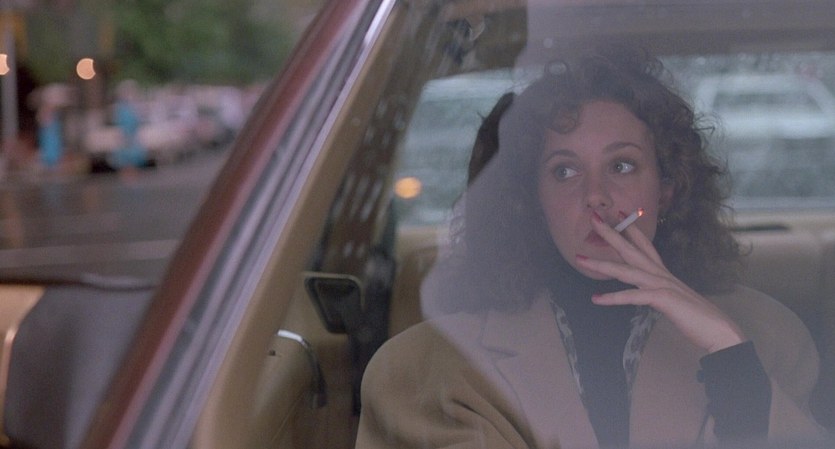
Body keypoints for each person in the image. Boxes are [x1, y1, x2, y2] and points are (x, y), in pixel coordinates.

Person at [355, 46, 826, 449]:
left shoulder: (770, 339)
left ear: (667, 188)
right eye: (565, 171)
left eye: (622, 166)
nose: (596, 196)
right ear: (533, 201)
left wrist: (728, 352)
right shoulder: (427, 367)